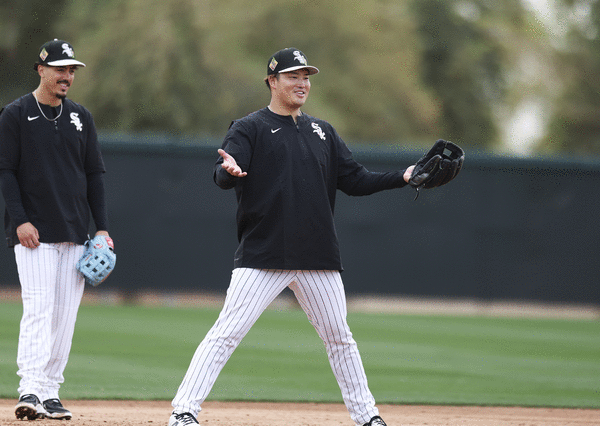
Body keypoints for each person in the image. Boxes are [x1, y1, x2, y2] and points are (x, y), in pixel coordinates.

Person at [168, 47, 417, 426]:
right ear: (272, 81)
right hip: (264, 253)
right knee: (226, 333)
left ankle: (368, 417)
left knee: (340, 339)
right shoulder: (249, 127)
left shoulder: (323, 132)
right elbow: (224, 171)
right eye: (293, 76)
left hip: (318, 255)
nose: (302, 83)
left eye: (306, 77)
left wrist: (403, 177)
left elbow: (355, 179)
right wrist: (226, 171)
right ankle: (183, 411)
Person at [0, 39, 112, 421]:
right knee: (39, 309)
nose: (67, 76)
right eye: (60, 69)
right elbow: (5, 171)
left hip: (76, 232)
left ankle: (50, 392)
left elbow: (95, 175)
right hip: (34, 233)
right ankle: (30, 388)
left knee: (65, 317)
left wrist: (102, 229)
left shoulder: (80, 116)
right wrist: (19, 220)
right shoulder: (15, 114)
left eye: (71, 70)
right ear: (41, 69)